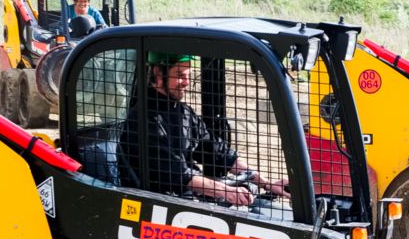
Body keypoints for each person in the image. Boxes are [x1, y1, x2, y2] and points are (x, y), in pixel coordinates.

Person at [121, 52, 288, 206]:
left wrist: (265, 183)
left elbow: (217, 151)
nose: (186, 82)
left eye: (188, 76)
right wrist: (226, 191)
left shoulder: (183, 112)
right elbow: (179, 174)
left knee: (256, 200)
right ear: (158, 73)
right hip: (164, 201)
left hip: (188, 195)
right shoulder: (144, 119)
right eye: (180, 76)